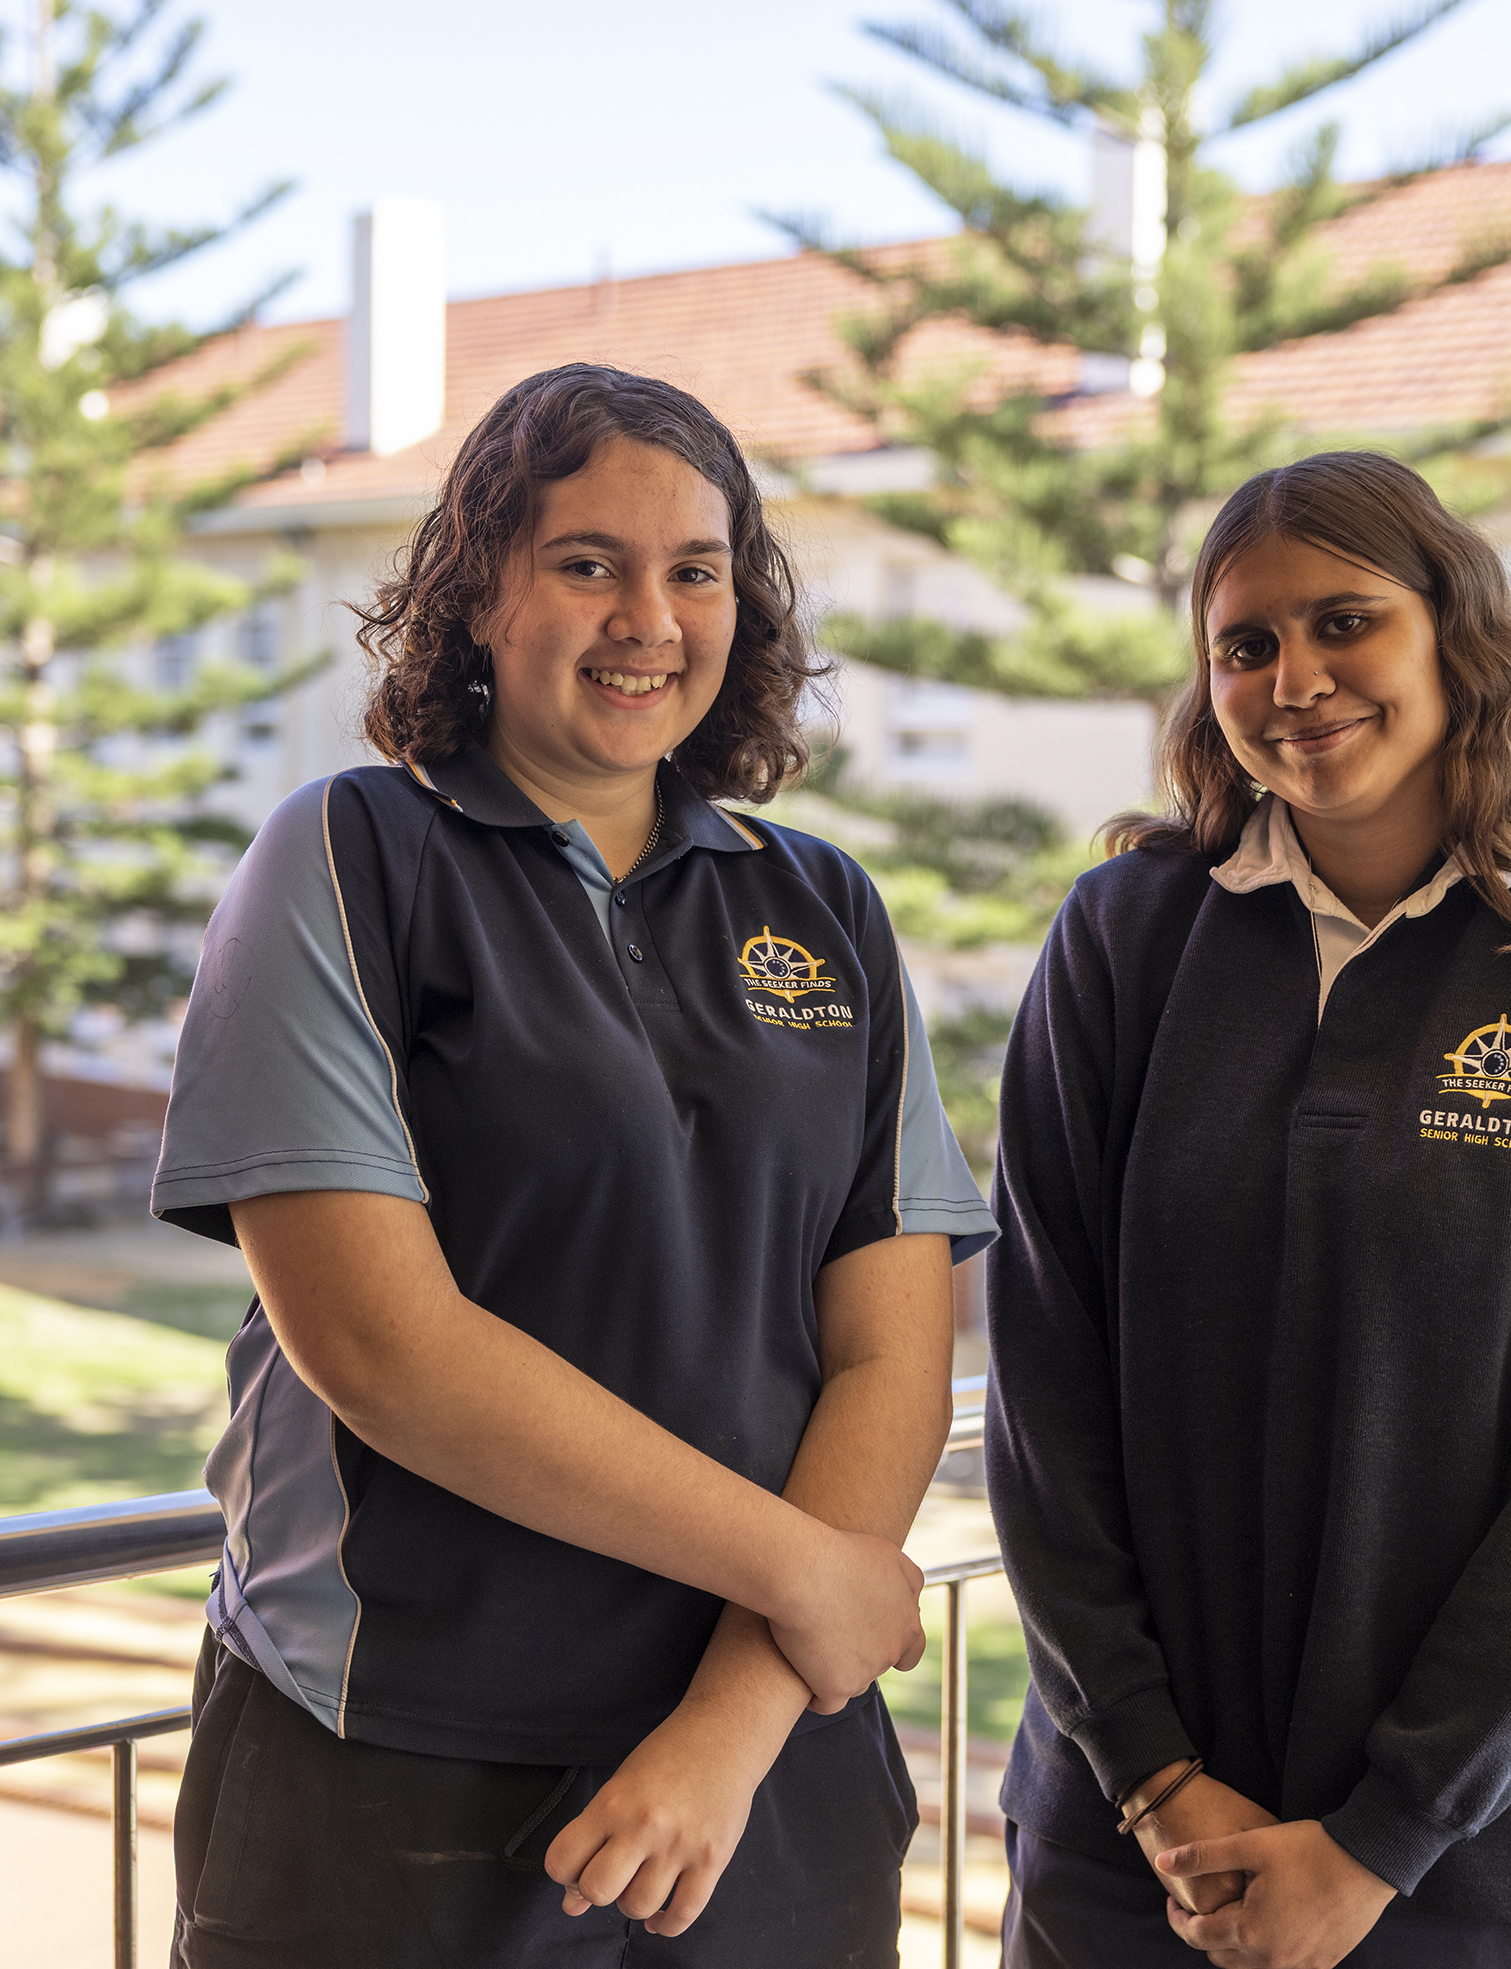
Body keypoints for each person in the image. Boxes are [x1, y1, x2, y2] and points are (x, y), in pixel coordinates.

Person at [152, 363, 998, 1968]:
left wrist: (735, 1721)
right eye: (588, 561)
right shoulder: (344, 861)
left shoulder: (822, 906)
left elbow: (891, 1339)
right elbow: (386, 1350)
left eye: (697, 569)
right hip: (401, 1761)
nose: (650, 618)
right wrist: (810, 1570)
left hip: (767, 1765)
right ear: (478, 593)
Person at [984, 451, 1511, 1968]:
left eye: (1347, 622)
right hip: (1141, 1857)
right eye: (1246, 644)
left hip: (1499, 1867)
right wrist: (1148, 1777)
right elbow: (1043, 1385)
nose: (1295, 679)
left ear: (1455, 636)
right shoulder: (1125, 943)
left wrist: (1386, 1830)